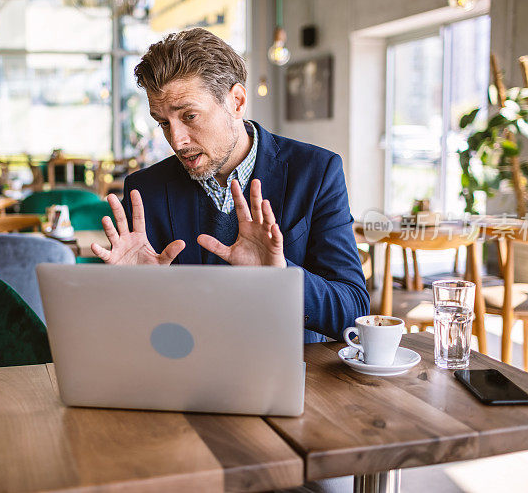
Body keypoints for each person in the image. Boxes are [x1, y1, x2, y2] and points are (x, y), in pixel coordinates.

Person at [91, 28, 369, 343]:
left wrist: (281, 277)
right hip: (183, 378)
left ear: (236, 102)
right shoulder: (145, 191)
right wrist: (130, 293)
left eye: (190, 116)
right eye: (164, 123)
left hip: (291, 377)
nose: (177, 141)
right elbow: (127, 337)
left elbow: (354, 311)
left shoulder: (317, 172)